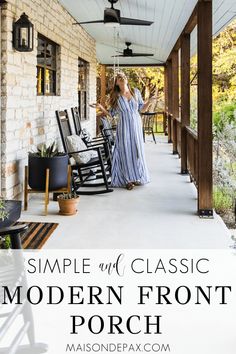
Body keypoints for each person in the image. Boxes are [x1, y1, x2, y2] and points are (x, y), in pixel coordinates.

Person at [92, 72, 154, 190]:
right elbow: (111, 114)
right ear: (116, 83)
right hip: (124, 126)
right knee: (125, 151)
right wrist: (101, 107)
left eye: (123, 77)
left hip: (136, 125)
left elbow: (141, 109)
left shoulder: (135, 92)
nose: (122, 79)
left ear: (126, 79)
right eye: (119, 78)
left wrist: (149, 101)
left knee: (137, 151)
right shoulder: (116, 96)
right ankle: (127, 179)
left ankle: (137, 176)